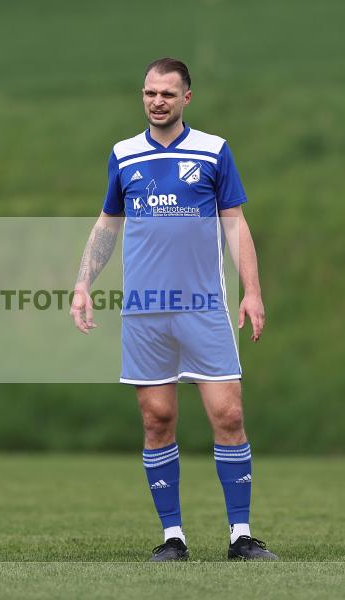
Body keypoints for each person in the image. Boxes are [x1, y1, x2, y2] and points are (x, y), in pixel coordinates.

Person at [71, 58, 277, 560]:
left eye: (166, 93)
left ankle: (240, 535)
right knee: (157, 419)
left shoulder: (213, 151)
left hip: (203, 307)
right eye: (148, 93)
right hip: (145, 311)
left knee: (228, 415)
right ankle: (173, 538)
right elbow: (107, 226)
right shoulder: (123, 155)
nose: (156, 101)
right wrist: (82, 283)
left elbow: (235, 224)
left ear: (187, 97)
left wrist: (251, 290)